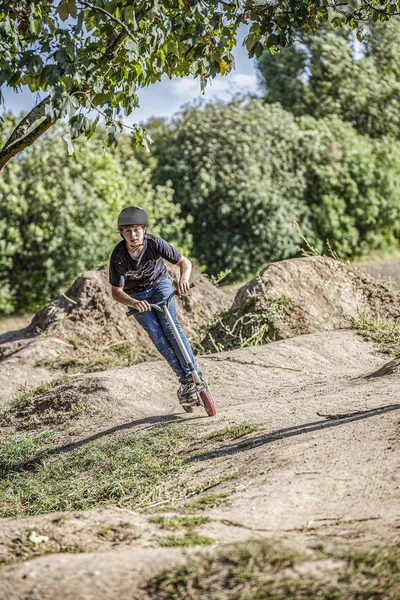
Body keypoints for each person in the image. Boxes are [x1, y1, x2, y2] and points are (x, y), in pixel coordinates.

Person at [109, 205, 203, 409]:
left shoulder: (154, 243)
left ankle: (195, 375)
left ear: (144, 229)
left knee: (171, 328)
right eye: (127, 231)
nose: (133, 234)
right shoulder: (118, 256)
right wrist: (134, 303)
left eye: (136, 229)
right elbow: (116, 292)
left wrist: (183, 280)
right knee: (157, 335)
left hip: (160, 285)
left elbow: (184, 263)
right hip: (136, 296)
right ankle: (185, 382)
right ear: (121, 233)